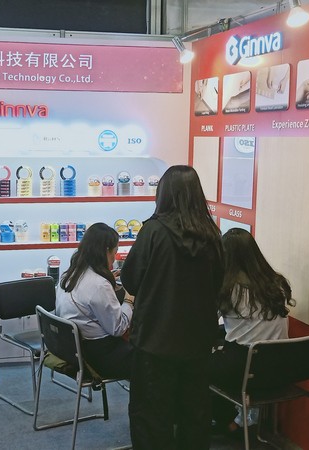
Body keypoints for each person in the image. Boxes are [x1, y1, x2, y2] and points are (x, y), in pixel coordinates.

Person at [120, 165, 224, 450]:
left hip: (154, 338)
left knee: (151, 414)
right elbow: (219, 283)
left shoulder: (153, 231)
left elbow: (130, 279)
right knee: (195, 411)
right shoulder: (212, 235)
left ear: (163, 193)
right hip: (198, 340)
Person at [210, 227, 294, 434]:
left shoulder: (228, 289)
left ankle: (229, 424)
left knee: (195, 367)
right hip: (281, 368)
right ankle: (246, 421)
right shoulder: (276, 283)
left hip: (246, 369)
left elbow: (204, 324)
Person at [55, 222, 134, 380]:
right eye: (115, 252)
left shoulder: (68, 275)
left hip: (74, 350)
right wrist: (129, 300)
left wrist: (107, 278)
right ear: (106, 251)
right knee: (152, 357)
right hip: (100, 357)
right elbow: (118, 328)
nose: (114, 258)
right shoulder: (99, 285)